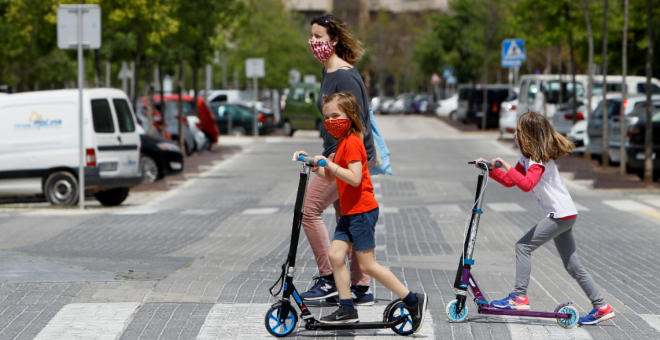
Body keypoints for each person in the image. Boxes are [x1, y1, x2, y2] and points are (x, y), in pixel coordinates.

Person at [295, 93, 427, 329]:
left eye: (336, 115)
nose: (331, 121)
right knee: (336, 257)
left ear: (351, 116)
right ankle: (347, 309)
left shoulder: (354, 142)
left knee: (367, 266)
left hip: (362, 212)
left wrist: (330, 164)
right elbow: (330, 177)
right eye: (327, 117)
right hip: (349, 212)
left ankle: (413, 300)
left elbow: (354, 178)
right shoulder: (342, 142)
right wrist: (315, 166)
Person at [474, 111, 615, 326]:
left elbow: (527, 184)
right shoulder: (528, 157)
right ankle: (601, 306)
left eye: (518, 133)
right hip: (565, 214)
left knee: (522, 247)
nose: (515, 136)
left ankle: (519, 297)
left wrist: (507, 165)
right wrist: (490, 169)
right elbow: (513, 181)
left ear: (528, 135)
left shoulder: (538, 160)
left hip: (559, 215)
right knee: (573, 266)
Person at [296, 14, 376, 305]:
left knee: (309, 211)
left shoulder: (344, 74)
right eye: (312, 36)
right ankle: (360, 288)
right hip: (332, 154)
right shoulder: (328, 72)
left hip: (343, 157)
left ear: (334, 40)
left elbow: (359, 121)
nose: (313, 42)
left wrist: (345, 161)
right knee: (347, 219)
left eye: (319, 37)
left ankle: (328, 276)